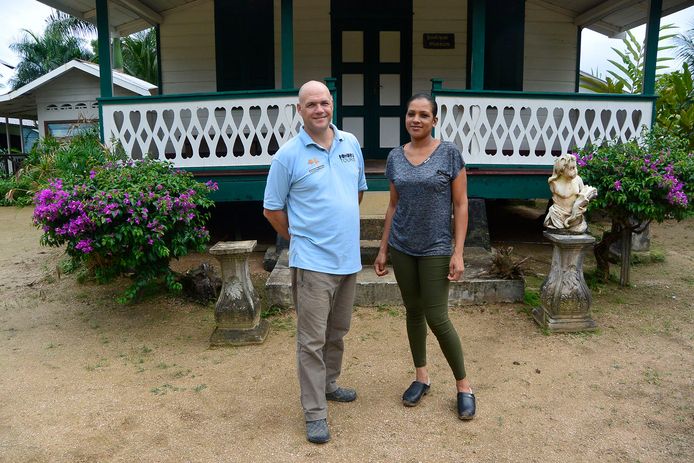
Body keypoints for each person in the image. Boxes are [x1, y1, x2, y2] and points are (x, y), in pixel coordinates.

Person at [263, 80, 368, 444]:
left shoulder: (350, 144)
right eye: (311, 104)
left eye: (325, 102)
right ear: (299, 110)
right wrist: (300, 237)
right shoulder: (287, 156)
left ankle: (329, 384)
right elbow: (272, 208)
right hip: (312, 264)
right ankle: (314, 413)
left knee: (337, 332)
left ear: (332, 104)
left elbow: (355, 192)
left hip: (347, 260)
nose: (320, 109)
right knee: (311, 341)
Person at [373, 93, 475, 420]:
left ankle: (464, 386)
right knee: (413, 312)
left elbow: (461, 204)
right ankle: (422, 377)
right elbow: (392, 205)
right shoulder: (395, 158)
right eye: (411, 114)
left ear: (434, 120)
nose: (416, 120)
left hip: (436, 247)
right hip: (403, 247)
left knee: (437, 317)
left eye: (423, 115)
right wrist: (384, 248)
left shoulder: (449, 155)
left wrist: (458, 252)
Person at [543, 153, 597, 234]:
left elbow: (583, 196)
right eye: (571, 168)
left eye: (575, 167)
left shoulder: (578, 180)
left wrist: (583, 206)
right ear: (561, 171)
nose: (575, 170)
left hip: (575, 217)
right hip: (558, 216)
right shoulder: (554, 183)